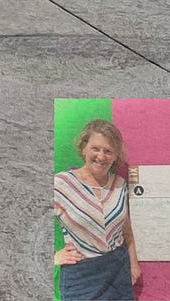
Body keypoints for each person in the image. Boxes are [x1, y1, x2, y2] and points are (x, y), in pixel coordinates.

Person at [53, 118, 140, 299]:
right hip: (80, 277)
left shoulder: (119, 184)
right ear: (84, 148)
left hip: (118, 271)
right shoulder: (61, 184)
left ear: (116, 155)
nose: (101, 156)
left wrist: (133, 263)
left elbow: (127, 232)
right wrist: (53, 256)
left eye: (108, 151)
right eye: (95, 148)